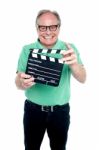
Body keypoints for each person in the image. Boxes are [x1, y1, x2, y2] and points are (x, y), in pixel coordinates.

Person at [15, 9, 86, 150]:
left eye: (53, 27)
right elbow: (18, 82)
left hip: (60, 111)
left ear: (59, 27)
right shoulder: (27, 50)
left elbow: (83, 78)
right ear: (37, 28)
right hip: (33, 110)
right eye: (43, 27)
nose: (48, 32)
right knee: (31, 147)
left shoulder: (69, 49)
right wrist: (22, 82)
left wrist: (73, 64)